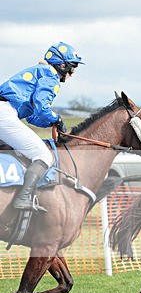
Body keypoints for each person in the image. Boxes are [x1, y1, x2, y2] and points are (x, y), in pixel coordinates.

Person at [0, 42, 83, 212]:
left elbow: (32, 116)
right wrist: (57, 118)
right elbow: (41, 107)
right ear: (61, 64)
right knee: (43, 155)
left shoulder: (40, 72)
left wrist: (50, 122)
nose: (71, 74)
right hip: (4, 113)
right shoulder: (50, 76)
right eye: (71, 68)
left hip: (6, 112)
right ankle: (23, 198)